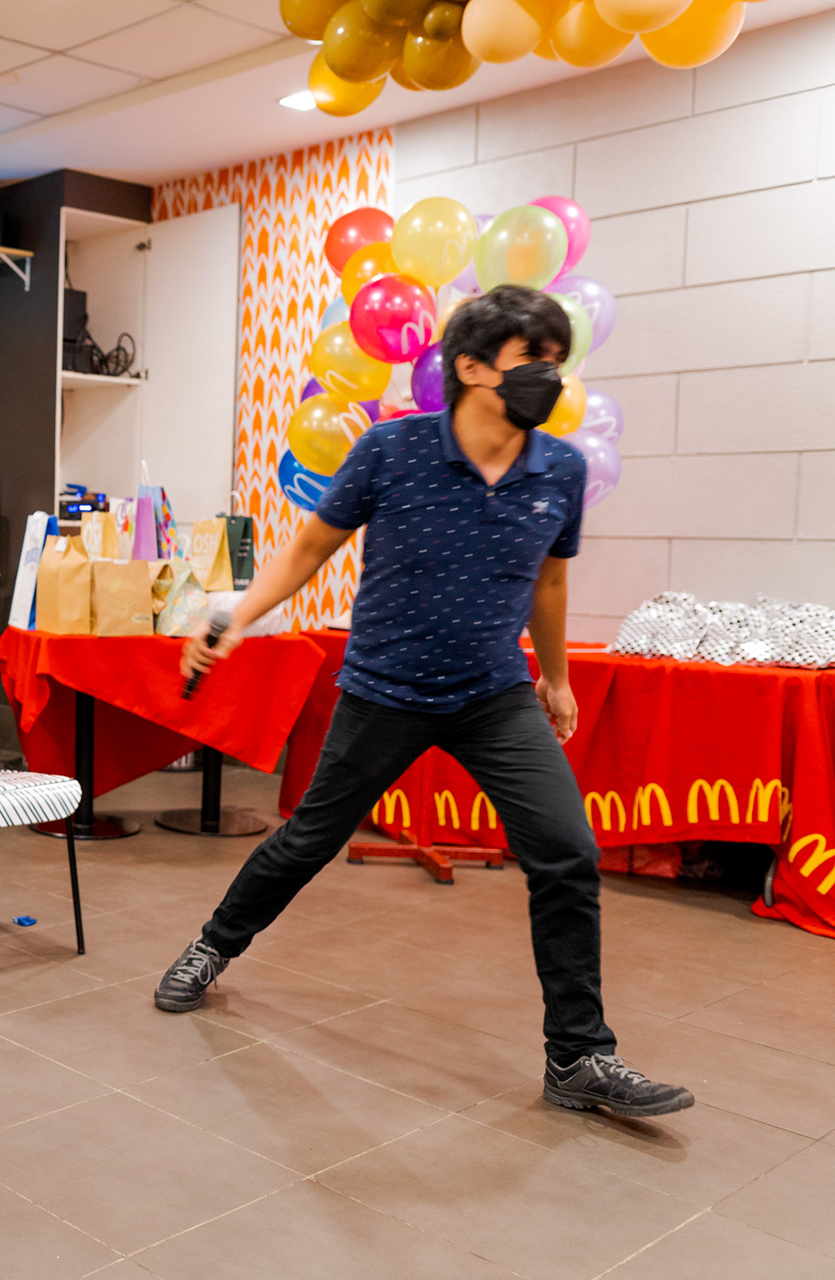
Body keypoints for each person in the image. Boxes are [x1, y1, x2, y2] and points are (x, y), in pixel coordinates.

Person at [154, 285, 693, 1119]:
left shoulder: (560, 469)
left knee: (566, 851)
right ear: (471, 367)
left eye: (557, 361)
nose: (550, 376)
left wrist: (555, 679)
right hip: (384, 689)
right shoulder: (392, 450)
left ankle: (578, 1056)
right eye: (532, 359)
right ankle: (212, 946)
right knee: (308, 840)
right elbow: (310, 545)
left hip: (493, 694)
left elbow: (550, 582)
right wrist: (236, 617)